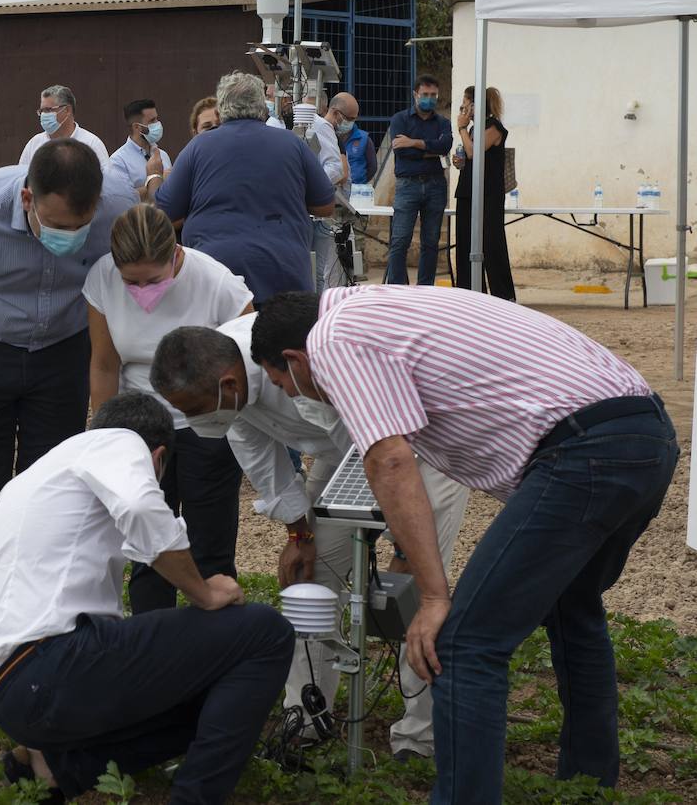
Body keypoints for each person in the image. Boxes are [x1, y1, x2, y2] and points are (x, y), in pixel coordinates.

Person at [250, 288, 677, 804]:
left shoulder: (332, 337)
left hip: (585, 450)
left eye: (284, 384)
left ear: (295, 359)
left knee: (462, 644)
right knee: (573, 611)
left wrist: (433, 597)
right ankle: (589, 785)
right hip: (644, 435)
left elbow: (389, 460)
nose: (295, 396)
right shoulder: (380, 306)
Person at [151, 319, 470, 760]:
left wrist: (404, 545)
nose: (191, 421)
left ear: (229, 384)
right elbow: (263, 460)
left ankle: (420, 737)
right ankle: (306, 716)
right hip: (343, 454)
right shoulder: (223, 379)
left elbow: (388, 454)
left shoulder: (305, 354)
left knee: (415, 589)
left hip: (419, 447)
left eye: (194, 409)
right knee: (312, 583)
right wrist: (299, 532)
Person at [0, 391, 295, 804]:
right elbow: (139, 507)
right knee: (266, 632)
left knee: (211, 692)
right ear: (158, 458)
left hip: (7, 695)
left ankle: (53, 768)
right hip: (49, 666)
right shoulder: (121, 443)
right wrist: (206, 593)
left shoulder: (43, 473)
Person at [0, 139, 136, 585]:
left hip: (63, 354)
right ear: (27, 199)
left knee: (51, 487)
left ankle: (41, 594)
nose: (68, 237)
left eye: (80, 227)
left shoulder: (118, 206)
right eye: (56, 225)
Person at [83, 204, 253, 612]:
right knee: (147, 551)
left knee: (210, 545)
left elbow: (250, 366)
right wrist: (104, 440)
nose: (141, 290)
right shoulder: (102, 277)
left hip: (208, 425)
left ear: (176, 254)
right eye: (131, 281)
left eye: (153, 280)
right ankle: (153, 635)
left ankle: (214, 637)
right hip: (139, 426)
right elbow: (105, 365)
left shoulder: (218, 284)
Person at [156, 72, 334, 306]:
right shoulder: (292, 144)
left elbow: (165, 214)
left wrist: (154, 177)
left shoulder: (197, 147)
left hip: (216, 274)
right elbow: (325, 205)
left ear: (220, 112)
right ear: (263, 108)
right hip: (283, 273)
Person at [386, 75, 453, 285]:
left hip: (436, 185)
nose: (429, 98)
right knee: (400, 240)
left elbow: (445, 147)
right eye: (425, 94)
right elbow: (401, 152)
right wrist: (431, 149)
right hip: (408, 185)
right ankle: (398, 289)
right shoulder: (400, 120)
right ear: (415, 94)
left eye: (433, 95)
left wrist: (413, 143)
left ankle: (425, 289)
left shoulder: (443, 122)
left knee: (431, 242)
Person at [453, 86, 516, 301]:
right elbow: (468, 156)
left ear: (476, 105)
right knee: (465, 243)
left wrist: (461, 128)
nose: (462, 108)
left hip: (488, 194)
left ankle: (503, 296)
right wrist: (459, 161)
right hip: (468, 191)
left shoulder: (493, 127)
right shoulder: (473, 129)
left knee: (491, 243)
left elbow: (474, 152)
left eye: (465, 103)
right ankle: (470, 294)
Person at [310, 93, 358, 293]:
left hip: (323, 210)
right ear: (337, 114)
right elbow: (337, 171)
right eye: (350, 119)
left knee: (322, 271)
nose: (351, 124)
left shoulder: (326, 131)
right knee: (324, 273)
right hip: (323, 212)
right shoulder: (324, 128)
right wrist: (312, 186)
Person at [19, 85, 109, 170]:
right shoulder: (34, 143)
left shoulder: (91, 143)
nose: (43, 115)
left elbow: (106, 178)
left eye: (48, 110)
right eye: (41, 111)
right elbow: (21, 177)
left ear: (67, 110)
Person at [107, 99, 172, 198]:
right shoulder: (118, 161)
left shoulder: (163, 155)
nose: (158, 124)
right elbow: (122, 198)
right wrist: (157, 180)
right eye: (152, 121)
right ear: (137, 127)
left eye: (157, 119)